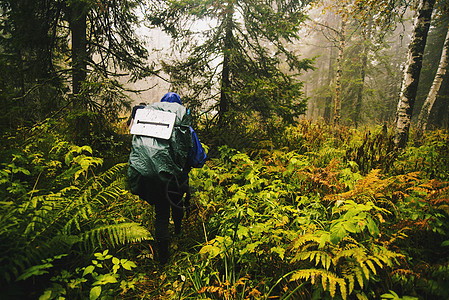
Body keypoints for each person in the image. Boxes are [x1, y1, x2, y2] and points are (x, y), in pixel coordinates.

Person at [127, 92, 207, 264]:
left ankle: (162, 257)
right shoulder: (185, 129)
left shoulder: (148, 126)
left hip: (153, 177)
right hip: (176, 179)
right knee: (177, 202)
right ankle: (178, 233)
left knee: (161, 213)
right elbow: (198, 159)